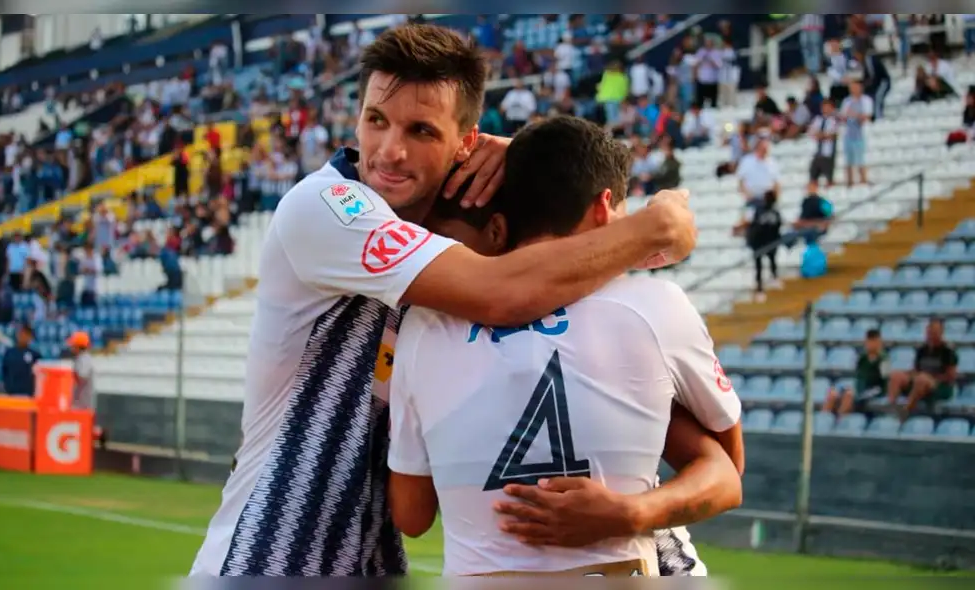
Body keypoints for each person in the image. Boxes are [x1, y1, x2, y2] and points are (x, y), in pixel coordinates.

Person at [190, 24, 697, 578]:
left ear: (465, 143)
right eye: (376, 120)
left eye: (422, 131)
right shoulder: (327, 207)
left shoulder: (447, 219)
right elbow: (502, 292)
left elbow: (581, 234)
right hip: (269, 551)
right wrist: (661, 225)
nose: (389, 150)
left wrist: (524, 158)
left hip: (369, 558)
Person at [387, 116, 744, 577]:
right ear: (603, 205)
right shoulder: (652, 306)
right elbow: (727, 468)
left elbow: (411, 515)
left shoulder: (424, 328)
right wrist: (630, 512)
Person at [824, 328, 897, 415]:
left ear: (878, 342)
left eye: (873, 341)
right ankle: (824, 419)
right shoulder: (862, 358)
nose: (870, 344)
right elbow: (859, 377)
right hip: (860, 389)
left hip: (876, 390)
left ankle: (840, 420)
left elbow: (886, 381)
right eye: (869, 341)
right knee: (833, 393)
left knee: (849, 395)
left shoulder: (884, 360)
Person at [1, 323, 40, 396]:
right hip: (11, 394)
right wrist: (7, 387)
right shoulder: (9, 353)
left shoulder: (35, 355)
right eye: (22, 333)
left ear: (30, 337)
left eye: (27, 334)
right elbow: (4, 371)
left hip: (29, 396)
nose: (23, 336)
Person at [66, 331, 94, 411]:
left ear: (78, 346)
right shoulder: (80, 358)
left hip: (83, 405)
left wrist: (71, 372)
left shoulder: (85, 359)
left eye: (73, 346)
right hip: (79, 404)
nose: (71, 348)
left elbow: (82, 375)